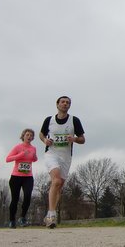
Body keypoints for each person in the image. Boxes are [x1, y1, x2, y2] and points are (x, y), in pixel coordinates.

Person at [39, 96, 85, 228]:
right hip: (51, 154)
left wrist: (75, 139)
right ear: (57, 104)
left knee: (59, 187)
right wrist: (45, 141)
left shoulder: (74, 120)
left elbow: (83, 139)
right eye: (63, 102)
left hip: (66, 157)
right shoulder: (49, 120)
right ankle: (52, 215)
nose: (65, 104)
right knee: (56, 181)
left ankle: (49, 214)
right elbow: (41, 134)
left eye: (68, 103)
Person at [5, 128, 38, 229]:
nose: (29, 137)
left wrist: (34, 157)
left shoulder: (33, 148)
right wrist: (20, 155)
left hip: (28, 177)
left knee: (27, 197)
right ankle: (12, 220)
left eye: (31, 135)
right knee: (15, 199)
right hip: (16, 177)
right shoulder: (18, 147)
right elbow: (7, 159)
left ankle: (22, 218)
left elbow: (34, 159)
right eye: (27, 135)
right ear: (23, 136)